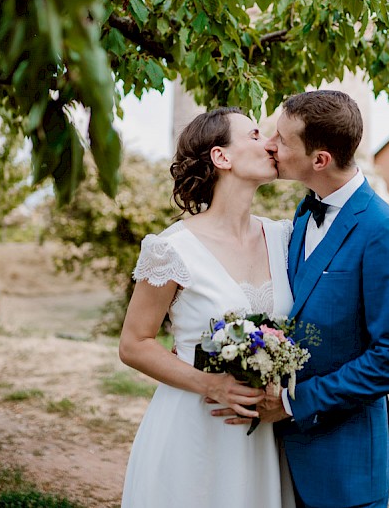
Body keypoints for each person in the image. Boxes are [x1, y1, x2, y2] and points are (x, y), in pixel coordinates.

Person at [236, 89, 389, 508]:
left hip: (345, 470)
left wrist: (292, 401)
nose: (269, 145)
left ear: (319, 159)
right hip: (279, 461)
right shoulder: (304, 214)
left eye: (282, 140)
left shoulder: (385, 232)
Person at [119, 107, 296, 508]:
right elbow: (134, 343)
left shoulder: (284, 236)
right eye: (254, 135)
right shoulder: (170, 249)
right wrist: (212, 384)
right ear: (222, 157)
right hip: (195, 428)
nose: (269, 143)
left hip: (264, 433)